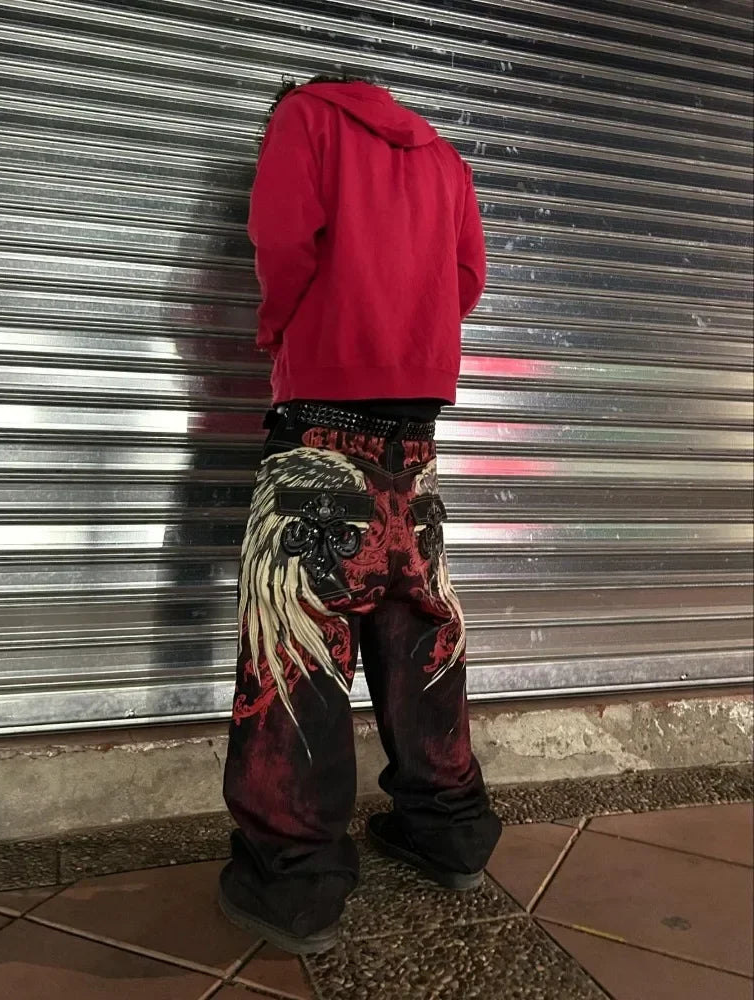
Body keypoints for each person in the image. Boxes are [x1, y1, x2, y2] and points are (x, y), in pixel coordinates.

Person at [220, 73, 502, 954]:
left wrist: (282, 329)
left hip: (320, 417)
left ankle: (294, 880)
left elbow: (283, 241)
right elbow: (466, 279)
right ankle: (449, 832)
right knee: (420, 632)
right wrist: (410, 335)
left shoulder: (303, 120)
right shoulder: (446, 161)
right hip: (415, 431)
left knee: (298, 644)